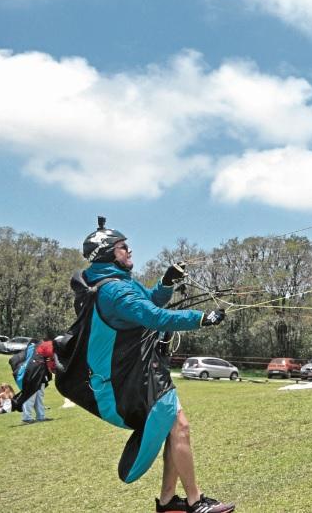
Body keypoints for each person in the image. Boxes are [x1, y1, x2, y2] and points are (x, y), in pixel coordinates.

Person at [55, 217, 235, 513]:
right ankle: (195, 502)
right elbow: (154, 316)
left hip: (134, 372)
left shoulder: (117, 283)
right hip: (124, 381)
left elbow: (149, 301)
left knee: (177, 427)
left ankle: (168, 502)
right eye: (123, 247)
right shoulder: (113, 291)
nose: (129, 251)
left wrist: (165, 283)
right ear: (106, 253)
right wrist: (201, 318)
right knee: (178, 426)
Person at [11, 333, 56, 424]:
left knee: (39, 395)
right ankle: (27, 418)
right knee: (31, 394)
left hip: (40, 373)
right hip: (34, 374)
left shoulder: (40, 347)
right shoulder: (43, 346)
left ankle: (41, 416)